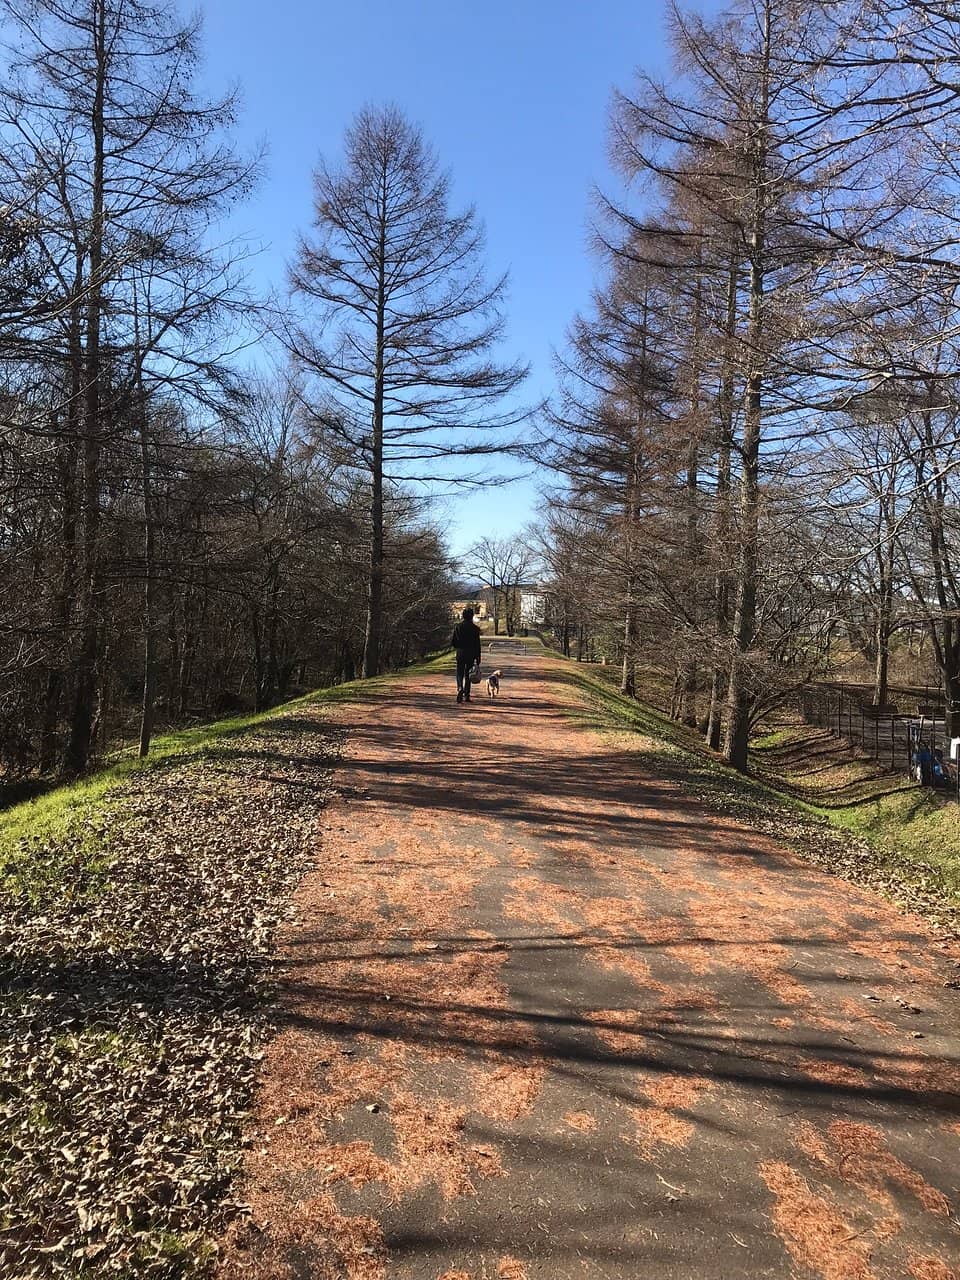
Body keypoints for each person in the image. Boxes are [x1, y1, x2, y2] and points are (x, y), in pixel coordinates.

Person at [451, 607, 482, 703]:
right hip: (471, 654)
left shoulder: (458, 627)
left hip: (460, 653)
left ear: (463, 616)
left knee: (459, 673)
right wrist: (478, 656)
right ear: (472, 616)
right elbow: (477, 644)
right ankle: (467, 695)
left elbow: (453, 642)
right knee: (469, 674)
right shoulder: (475, 629)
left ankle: (460, 687)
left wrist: (458, 647)